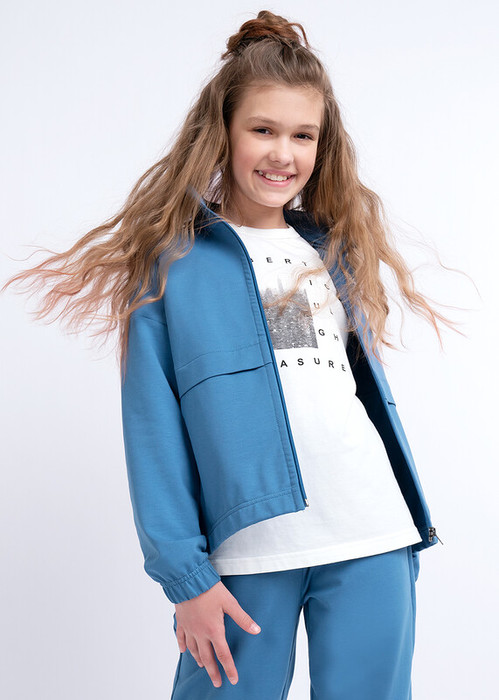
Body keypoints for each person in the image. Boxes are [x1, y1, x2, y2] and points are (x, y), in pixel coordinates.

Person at [2, 9, 453, 699]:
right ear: (223, 132)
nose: (283, 154)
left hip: (372, 533)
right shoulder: (173, 269)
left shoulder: (329, 253)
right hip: (247, 553)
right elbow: (153, 432)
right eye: (262, 130)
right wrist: (186, 578)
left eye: (302, 135)